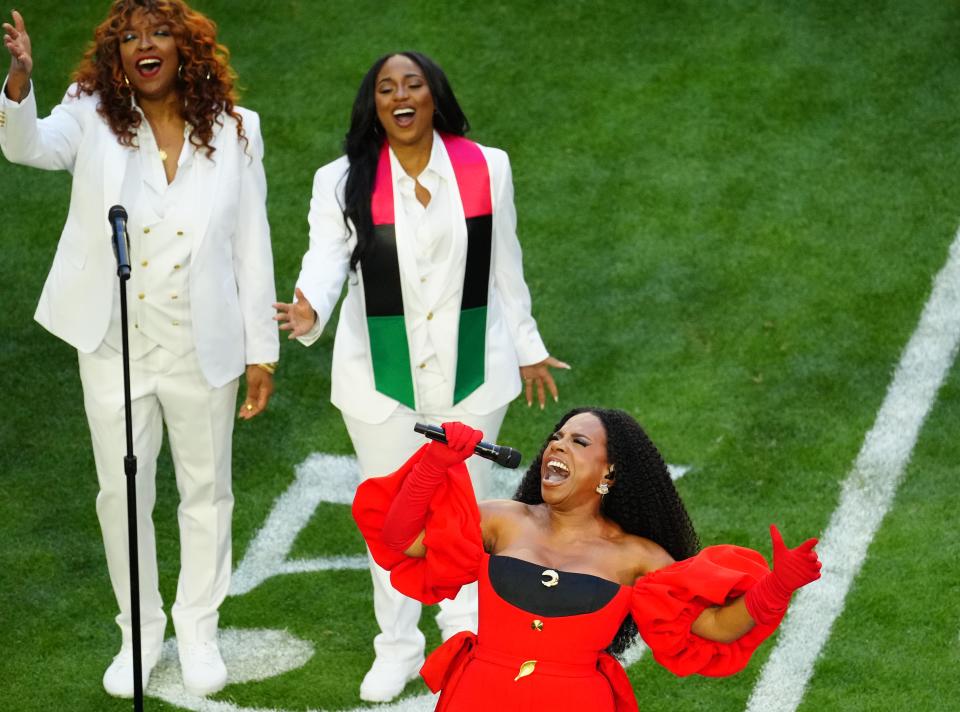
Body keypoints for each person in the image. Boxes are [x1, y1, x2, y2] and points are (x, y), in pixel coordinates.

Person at [1, 0, 278, 699]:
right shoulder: (89, 114)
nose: (144, 46)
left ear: (187, 50)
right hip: (113, 341)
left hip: (202, 342)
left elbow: (252, 242)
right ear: (115, 55)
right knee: (121, 490)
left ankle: (200, 628)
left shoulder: (240, 131)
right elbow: (26, 146)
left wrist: (261, 351)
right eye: (129, 37)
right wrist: (18, 82)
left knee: (206, 491)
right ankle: (140, 631)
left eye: (159, 34)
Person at [273, 51, 568, 702]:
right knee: (395, 522)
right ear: (373, 104)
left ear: (435, 97)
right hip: (380, 382)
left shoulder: (486, 167)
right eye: (386, 87)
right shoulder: (341, 179)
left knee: (465, 514)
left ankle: (465, 638)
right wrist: (310, 307)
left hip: (470, 375)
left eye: (413, 84)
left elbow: (505, 266)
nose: (400, 95)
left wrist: (528, 346)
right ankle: (399, 647)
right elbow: (324, 261)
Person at [353, 409, 822, 711]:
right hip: (479, 697)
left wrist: (776, 587)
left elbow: (717, 628)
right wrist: (435, 464)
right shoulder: (501, 521)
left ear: (609, 473)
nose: (557, 446)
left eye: (578, 443)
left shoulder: (637, 558)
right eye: (556, 438)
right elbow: (401, 541)